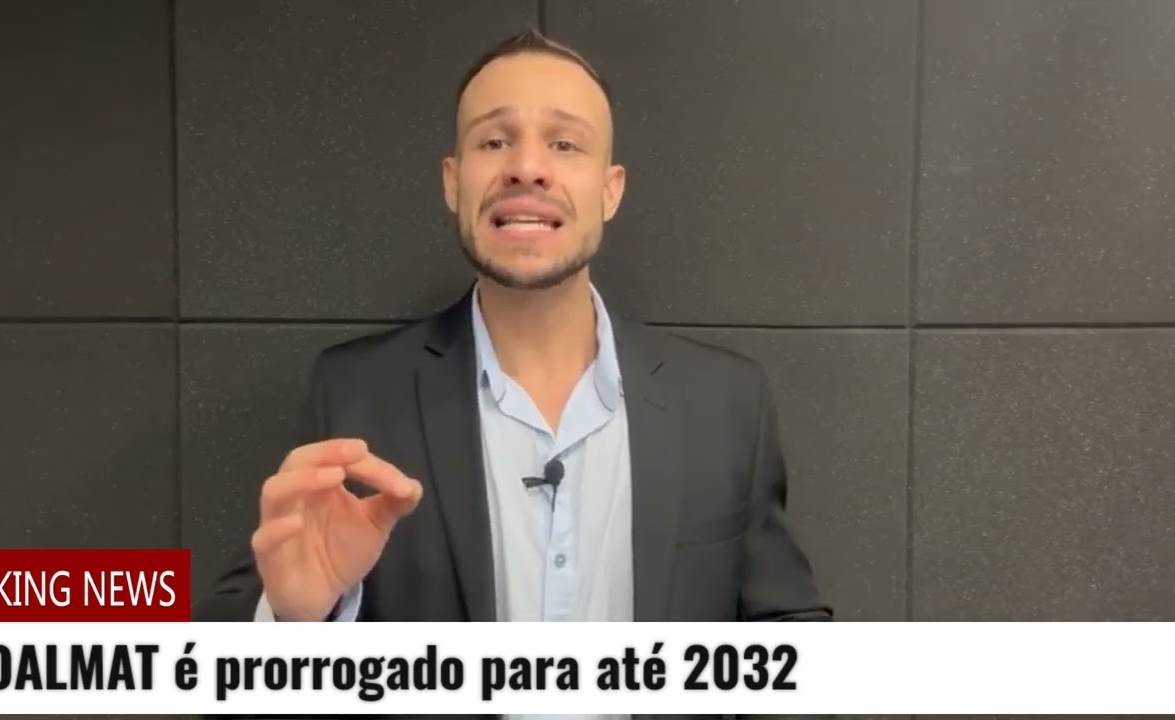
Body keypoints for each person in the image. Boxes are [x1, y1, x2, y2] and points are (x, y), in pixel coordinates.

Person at [196, 30, 831, 628]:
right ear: (453, 183)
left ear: (610, 191)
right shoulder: (354, 395)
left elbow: (790, 644)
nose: (527, 167)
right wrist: (297, 622)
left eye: (565, 144)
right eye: (494, 142)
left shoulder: (728, 405)